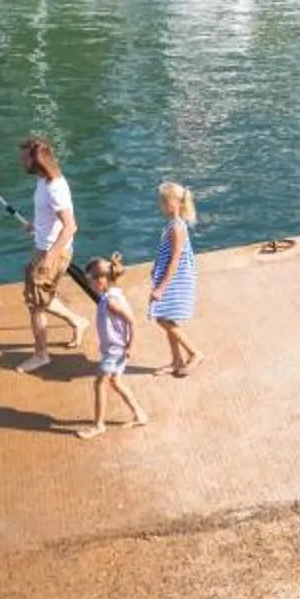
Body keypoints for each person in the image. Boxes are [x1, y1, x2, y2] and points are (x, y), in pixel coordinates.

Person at [14, 136, 87, 373]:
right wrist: (37, 226)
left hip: (52, 253)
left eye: (24, 158)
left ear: (36, 161)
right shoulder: (43, 181)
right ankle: (77, 321)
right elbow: (52, 218)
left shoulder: (55, 187)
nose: (20, 162)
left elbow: (70, 226)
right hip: (42, 246)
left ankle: (41, 355)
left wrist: (49, 258)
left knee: (36, 306)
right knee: (37, 299)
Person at [77, 253, 149, 438]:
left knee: (99, 384)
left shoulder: (111, 301)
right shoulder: (109, 297)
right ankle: (139, 413)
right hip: (113, 350)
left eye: (90, 280)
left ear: (101, 281)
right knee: (115, 382)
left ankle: (99, 424)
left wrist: (130, 346)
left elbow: (132, 321)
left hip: (115, 351)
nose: (89, 284)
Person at [148, 180, 202, 377]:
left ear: (175, 204)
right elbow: (168, 253)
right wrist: (156, 266)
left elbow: (176, 259)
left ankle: (194, 353)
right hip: (171, 276)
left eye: (163, 201)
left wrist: (161, 287)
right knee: (166, 317)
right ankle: (176, 360)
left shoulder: (177, 228)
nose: (160, 204)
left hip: (176, 279)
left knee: (164, 319)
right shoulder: (172, 226)